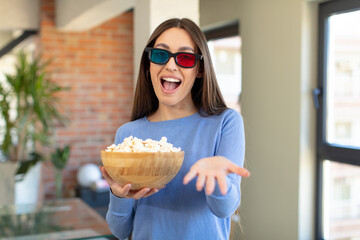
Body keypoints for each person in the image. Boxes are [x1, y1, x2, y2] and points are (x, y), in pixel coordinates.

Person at [100, 18, 250, 240]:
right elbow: (120, 231)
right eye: (161, 55)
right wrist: (118, 195)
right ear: (149, 64)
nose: (170, 65)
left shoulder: (225, 122)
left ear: (199, 69)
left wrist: (218, 180)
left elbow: (224, 209)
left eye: (185, 58)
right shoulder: (128, 134)